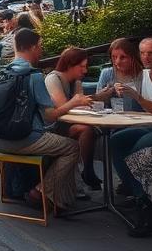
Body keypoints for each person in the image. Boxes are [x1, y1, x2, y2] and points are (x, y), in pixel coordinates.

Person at [0, 28, 88, 213]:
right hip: (24, 139)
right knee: (72, 147)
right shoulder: (33, 75)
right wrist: (73, 102)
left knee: (60, 142)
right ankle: (41, 191)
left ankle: (60, 199)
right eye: (40, 46)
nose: (41, 50)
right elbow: (50, 115)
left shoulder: (2, 72)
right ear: (33, 47)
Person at [111, 37, 152, 236]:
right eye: (143, 53)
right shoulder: (144, 75)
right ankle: (140, 195)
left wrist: (137, 97)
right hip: (149, 126)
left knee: (140, 146)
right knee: (117, 140)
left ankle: (149, 209)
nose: (146, 57)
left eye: (151, 53)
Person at [45, 47, 107, 192]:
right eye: (82, 66)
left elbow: (81, 105)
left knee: (91, 130)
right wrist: (81, 102)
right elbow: (62, 107)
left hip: (67, 124)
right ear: (70, 65)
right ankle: (88, 171)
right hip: (52, 127)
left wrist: (94, 99)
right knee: (87, 130)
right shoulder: (53, 79)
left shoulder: (76, 81)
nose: (85, 70)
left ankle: (87, 171)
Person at [97, 37, 144, 110]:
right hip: (111, 116)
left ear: (133, 58)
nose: (117, 62)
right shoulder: (106, 73)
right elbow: (97, 103)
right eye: (114, 57)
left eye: (123, 57)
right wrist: (107, 93)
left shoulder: (143, 76)